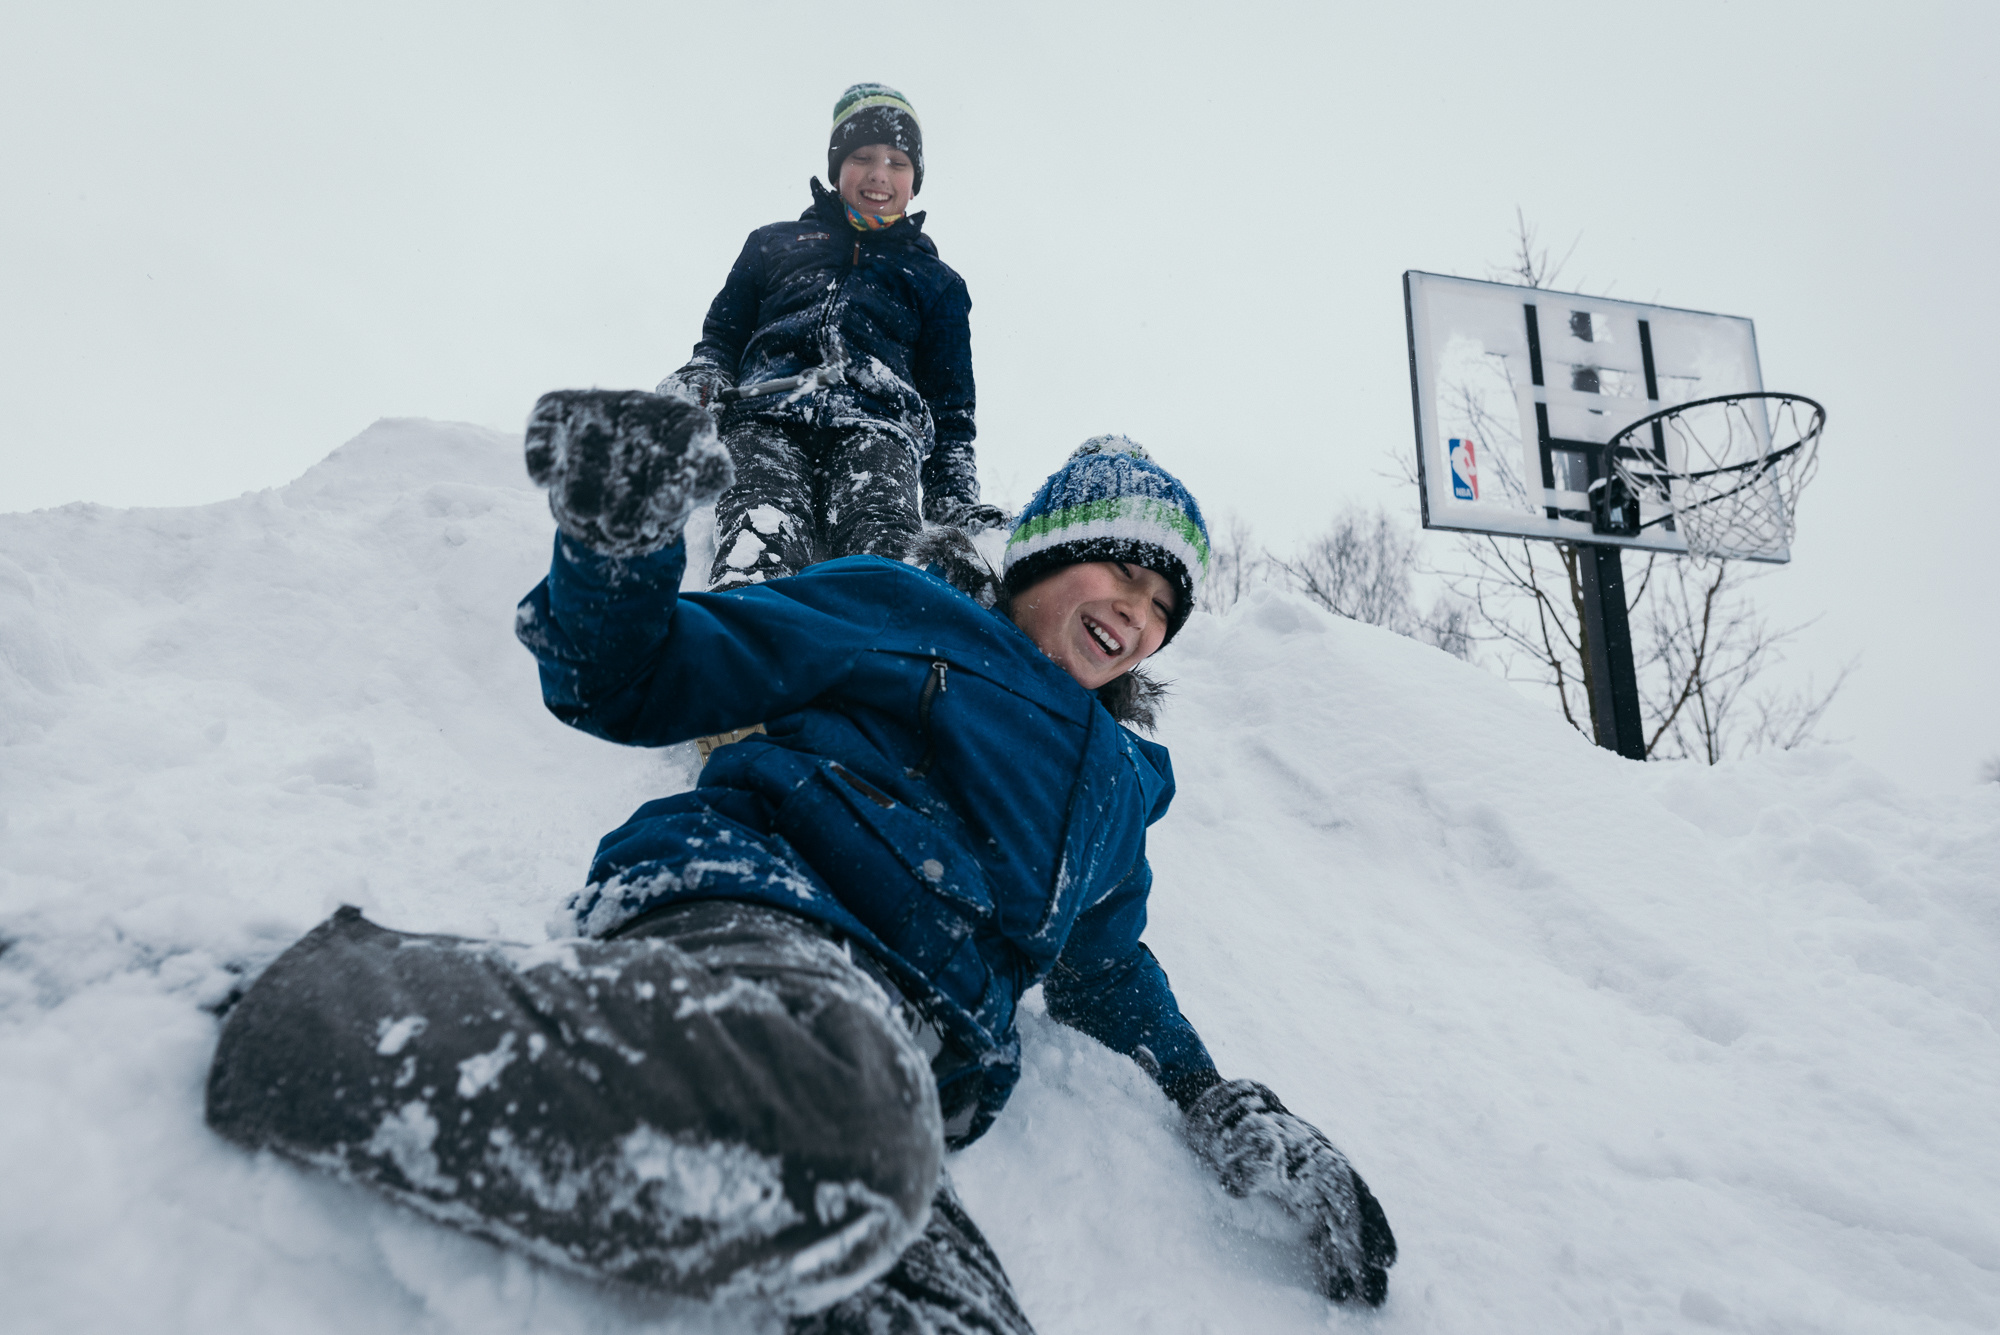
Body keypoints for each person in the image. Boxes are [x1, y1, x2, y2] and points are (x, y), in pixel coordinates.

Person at [203, 391, 1396, 1332]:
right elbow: (641, 676)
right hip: (761, 913)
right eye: (1117, 571)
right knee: (846, 1118)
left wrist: (1219, 1101)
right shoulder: (900, 611)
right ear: (1040, 556)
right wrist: (618, 546)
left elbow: (1105, 966)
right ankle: (285, 1003)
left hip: (900, 1071)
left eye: (1162, 606)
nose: (1134, 612)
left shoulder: (1123, 787)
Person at [659, 82, 1005, 592]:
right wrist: (705, 373)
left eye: (897, 161)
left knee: (883, 547)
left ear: (916, 180)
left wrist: (952, 499)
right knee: (759, 524)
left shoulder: (938, 283)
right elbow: (723, 337)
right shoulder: (773, 244)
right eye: (862, 156)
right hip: (764, 415)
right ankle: (752, 638)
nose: (879, 174)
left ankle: (879, 655)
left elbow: (951, 412)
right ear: (837, 166)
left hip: (879, 429)